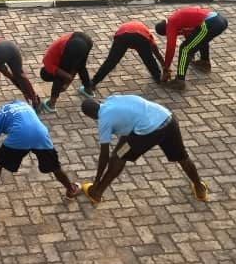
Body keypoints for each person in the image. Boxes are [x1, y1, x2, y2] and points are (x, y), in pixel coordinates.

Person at [80, 95, 209, 205]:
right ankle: (199, 188)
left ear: (91, 116)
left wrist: (96, 180)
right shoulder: (112, 99)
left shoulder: (104, 121)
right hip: (167, 118)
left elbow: (104, 156)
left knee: (118, 156)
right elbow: (129, 125)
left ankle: (96, 192)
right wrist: (122, 145)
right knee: (182, 157)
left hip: (149, 132)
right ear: (98, 102)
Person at [0, 100, 80, 208]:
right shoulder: (24, 105)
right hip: (40, 134)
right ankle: (71, 190)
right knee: (55, 166)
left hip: (19, 136)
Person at [155, 7, 229, 91]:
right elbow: (190, 34)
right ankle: (204, 62)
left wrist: (166, 68)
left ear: (165, 31)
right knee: (201, 38)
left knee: (185, 49)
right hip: (219, 19)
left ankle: (180, 80)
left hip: (210, 23)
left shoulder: (171, 24)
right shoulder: (176, 18)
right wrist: (192, 52)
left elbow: (170, 48)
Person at [85, 20, 164, 95]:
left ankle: (93, 82)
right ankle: (158, 77)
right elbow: (155, 51)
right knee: (149, 59)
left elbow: (116, 37)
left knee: (111, 61)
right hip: (140, 37)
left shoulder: (125, 28)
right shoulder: (147, 34)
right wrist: (164, 65)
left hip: (122, 36)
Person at [39, 31, 94, 113]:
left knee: (59, 76)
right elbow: (76, 67)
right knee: (81, 66)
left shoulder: (49, 63)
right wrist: (67, 82)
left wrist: (66, 84)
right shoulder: (49, 58)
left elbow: (67, 76)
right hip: (86, 40)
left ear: (49, 74)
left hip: (71, 45)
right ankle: (88, 90)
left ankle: (51, 104)